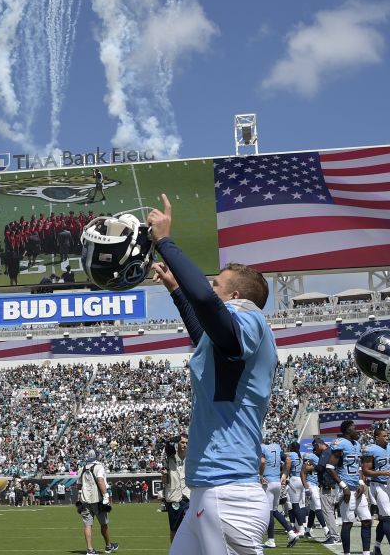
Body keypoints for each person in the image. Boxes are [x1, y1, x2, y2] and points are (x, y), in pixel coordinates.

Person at [146, 193, 277, 555]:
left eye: (217, 284)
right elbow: (203, 327)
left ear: (233, 296)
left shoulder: (249, 319)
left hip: (228, 491)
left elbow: (206, 302)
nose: (210, 287)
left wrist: (165, 242)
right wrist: (175, 289)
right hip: (212, 489)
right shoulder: (230, 336)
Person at [330, 420, 373, 555]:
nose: (357, 431)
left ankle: (366, 552)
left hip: (357, 487)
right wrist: (343, 486)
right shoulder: (340, 443)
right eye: (354, 428)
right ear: (348, 431)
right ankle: (346, 553)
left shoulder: (357, 444)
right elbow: (330, 468)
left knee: (366, 520)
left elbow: (357, 467)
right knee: (348, 522)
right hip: (346, 488)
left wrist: (360, 482)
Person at [362, 426, 390, 555]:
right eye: (384, 436)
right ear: (376, 438)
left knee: (385, 518)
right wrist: (381, 472)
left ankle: (377, 547)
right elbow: (365, 471)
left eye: (387, 435)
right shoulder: (371, 449)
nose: (387, 437)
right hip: (378, 485)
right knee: (388, 516)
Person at [76, 449, 119, 554]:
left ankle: (90, 549)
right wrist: (106, 496)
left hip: (85, 500)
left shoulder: (82, 468)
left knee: (87, 525)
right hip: (98, 500)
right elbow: (100, 481)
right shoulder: (99, 467)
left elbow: (78, 485)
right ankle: (108, 546)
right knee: (104, 524)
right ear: (96, 456)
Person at [259, 437, 288, 548]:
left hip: (268, 482)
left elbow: (262, 461)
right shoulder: (276, 447)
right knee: (275, 510)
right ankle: (290, 531)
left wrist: (260, 476)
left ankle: (271, 539)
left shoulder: (263, 448)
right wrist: (284, 474)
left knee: (269, 512)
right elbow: (288, 460)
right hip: (277, 482)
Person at [162, 434, 192, 542]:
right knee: (174, 530)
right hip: (174, 498)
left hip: (188, 498)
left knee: (191, 528)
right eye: (182, 442)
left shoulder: (191, 458)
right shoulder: (171, 457)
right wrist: (170, 441)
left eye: (187, 443)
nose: (185, 445)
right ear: (177, 444)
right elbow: (168, 447)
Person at [312, 440, 341, 546]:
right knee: (329, 512)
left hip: (328, 486)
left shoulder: (326, 452)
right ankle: (333, 535)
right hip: (332, 485)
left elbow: (321, 468)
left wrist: (312, 466)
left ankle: (334, 536)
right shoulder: (330, 451)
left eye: (316, 448)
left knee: (327, 512)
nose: (316, 451)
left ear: (319, 445)